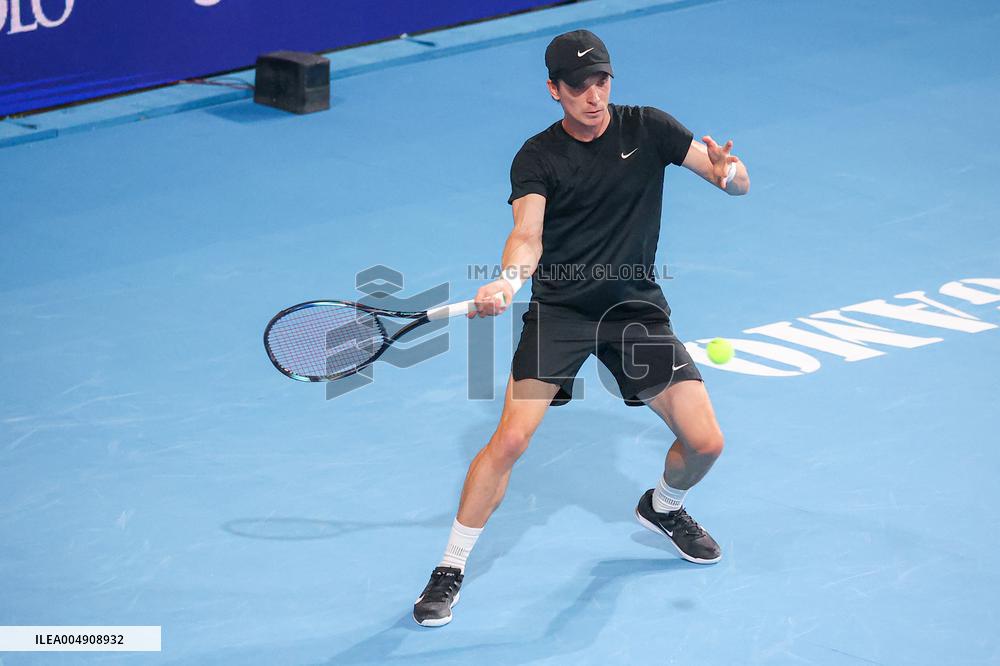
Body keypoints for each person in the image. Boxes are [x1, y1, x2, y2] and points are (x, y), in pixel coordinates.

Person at [413, 29, 750, 627]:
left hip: (633, 311)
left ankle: (663, 507)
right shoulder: (537, 156)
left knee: (706, 444)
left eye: (602, 82)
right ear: (554, 91)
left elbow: (730, 178)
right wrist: (508, 283)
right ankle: (450, 567)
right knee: (511, 440)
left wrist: (731, 174)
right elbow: (527, 235)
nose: (594, 96)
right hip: (563, 313)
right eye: (578, 87)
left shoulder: (648, 127)